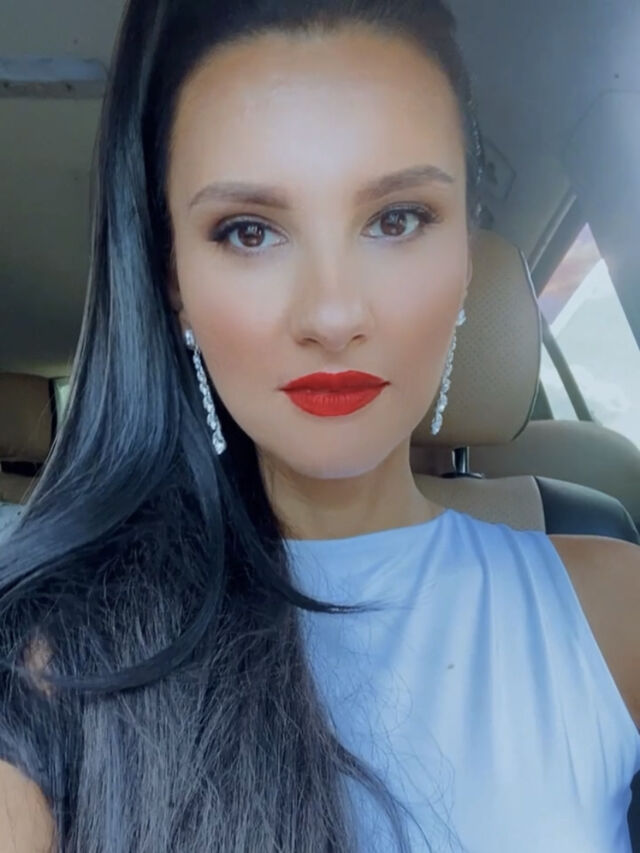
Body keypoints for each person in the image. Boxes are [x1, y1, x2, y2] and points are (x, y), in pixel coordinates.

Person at [0, 1, 639, 851]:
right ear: (175, 281)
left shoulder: (615, 602)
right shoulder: (54, 658)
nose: (333, 316)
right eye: (250, 231)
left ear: (465, 255)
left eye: (397, 219)